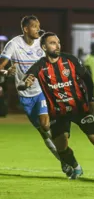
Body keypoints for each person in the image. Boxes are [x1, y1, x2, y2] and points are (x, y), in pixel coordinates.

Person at [18, 32, 94, 180]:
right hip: (58, 112)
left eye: (58, 42)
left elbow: (88, 79)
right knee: (61, 147)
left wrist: (91, 101)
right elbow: (23, 82)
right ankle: (77, 168)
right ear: (44, 47)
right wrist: (25, 84)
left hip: (80, 108)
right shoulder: (39, 66)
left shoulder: (70, 60)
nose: (57, 45)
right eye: (53, 43)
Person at [0, 15, 72, 176]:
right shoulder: (14, 44)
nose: (37, 29)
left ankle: (67, 158)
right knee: (44, 132)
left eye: (38, 25)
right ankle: (65, 162)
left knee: (46, 125)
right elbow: (1, 65)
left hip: (42, 91)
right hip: (25, 95)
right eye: (34, 26)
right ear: (25, 29)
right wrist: (6, 72)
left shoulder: (42, 43)